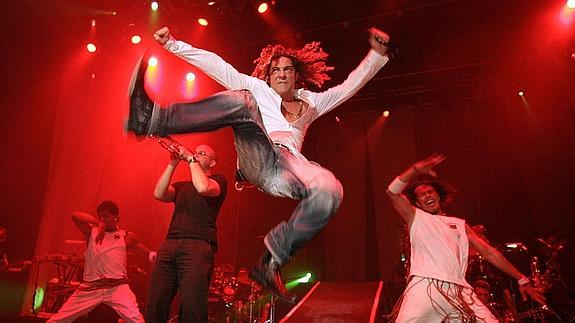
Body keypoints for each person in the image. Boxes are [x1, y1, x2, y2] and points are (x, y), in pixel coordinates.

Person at [126, 25, 391, 300]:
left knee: (331, 189)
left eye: (287, 70)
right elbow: (217, 65)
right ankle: (152, 119)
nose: (282, 74)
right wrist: (172, 43)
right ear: (268, 74)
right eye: (276, 70)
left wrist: (376, 55)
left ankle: (272, 260)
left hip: (288, 169)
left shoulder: (312, 102)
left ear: (296, 75)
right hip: (258, 156)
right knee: (243, 101)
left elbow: (349, 87)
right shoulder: (257, 89)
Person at [385, 154, 545, 322]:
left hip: (459, 290)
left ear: (438, 196)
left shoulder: (459, 225)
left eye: (430, 192)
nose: (427, 196)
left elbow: (490, 253)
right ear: (417, 203)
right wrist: (415, 169)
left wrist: (521, 278)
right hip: (426, 287)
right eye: (422, 195)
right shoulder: (416, 217)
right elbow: (392, 192)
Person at [146, 143, 227, 323]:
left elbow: (203, 188)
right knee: (156, 301)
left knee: (192, 304)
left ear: (212, 163)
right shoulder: (182, 186)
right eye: (195, 152)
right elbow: (159, 193)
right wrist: (173, 163)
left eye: (202, 153)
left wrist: (190, 158)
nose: (197, 154)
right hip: (170, 244)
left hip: (197, 246)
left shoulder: (219, 180)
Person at [48, 201, 155, 323]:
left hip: (117, 287)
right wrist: (98, 222)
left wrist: (156, 257)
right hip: (91, 287)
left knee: (136, 320)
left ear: (116, 217)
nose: (102, 219)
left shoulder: (126, 236)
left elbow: (149, 253)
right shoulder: (92, 231)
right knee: (59, 319)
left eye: (105, 216)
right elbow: (75, 216)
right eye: (100, 216)